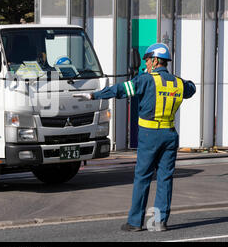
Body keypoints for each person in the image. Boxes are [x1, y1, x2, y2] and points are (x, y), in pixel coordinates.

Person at [76, 43, 196, 232]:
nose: (146, 64)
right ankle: (159, 221)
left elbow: (120, 90)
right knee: (165, 178)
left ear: (155, 60)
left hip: (150, 135)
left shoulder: (146, 80)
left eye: (147, 60)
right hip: (170, 135)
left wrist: (94, 95)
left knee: (143, 177)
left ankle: (135, 222)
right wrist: (178, 82)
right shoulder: (178, 83)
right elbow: (191, 88)